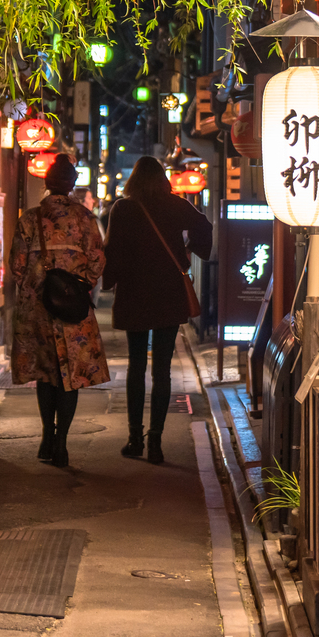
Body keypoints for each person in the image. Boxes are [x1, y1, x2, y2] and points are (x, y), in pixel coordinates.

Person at [101, 156, 212, 463]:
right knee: (162, 368)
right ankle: (156, 443)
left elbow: (112, 251)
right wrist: (189, 249)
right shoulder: (176, 206)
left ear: (133, 181)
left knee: (137, 365)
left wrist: (109, 281)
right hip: (168, 294)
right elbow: (204, 226)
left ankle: (134, 438)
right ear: (163, 180)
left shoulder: (123, 209)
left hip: (135, 293)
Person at [9, 151, 109, 467]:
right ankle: (62, 442)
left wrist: (36, 281)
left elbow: (16, 265)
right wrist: (82, 282)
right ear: (72, 184)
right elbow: (97, 260)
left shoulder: (29, 219)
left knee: (46, 374)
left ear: (47, 183)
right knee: (70, 375)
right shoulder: (85, 219)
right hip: (73, 307)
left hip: (37, 307)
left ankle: (46, 437)